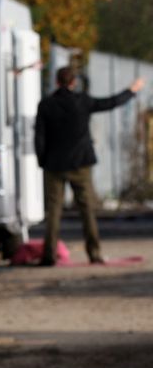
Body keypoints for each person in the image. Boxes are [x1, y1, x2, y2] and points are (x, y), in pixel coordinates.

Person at [34, 66, 144, 265]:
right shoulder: (82, 101)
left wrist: (42, 161)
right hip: (81, 164)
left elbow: (39, 137)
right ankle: (94, 253)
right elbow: (110, 103)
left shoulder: (46, 105)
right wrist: (131, 90)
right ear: (73, 82)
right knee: (87, 211)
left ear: (57, 82)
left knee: (54, 211)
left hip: (54, 165)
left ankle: (49, 256)